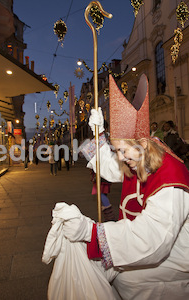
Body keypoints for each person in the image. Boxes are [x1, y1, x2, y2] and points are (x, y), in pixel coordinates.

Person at [62, 74, 189, 299]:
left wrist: (93, 234)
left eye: (122, 150)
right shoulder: (144, 155)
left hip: (175, 256)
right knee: (107, 273)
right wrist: (98, 136)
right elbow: (111, 166)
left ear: (141, 143)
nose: (120, 157)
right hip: (156, 248)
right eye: (116, 150)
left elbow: (153, 239)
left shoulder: (171, 177)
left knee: (124, 279)